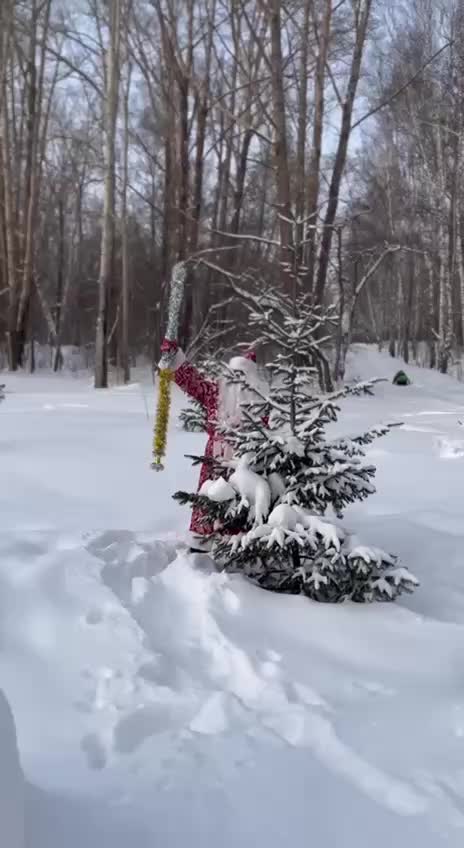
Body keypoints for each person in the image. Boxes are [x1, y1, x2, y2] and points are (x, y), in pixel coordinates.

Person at [160, 339, 267, 542]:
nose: (237, 384)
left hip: (245, 463)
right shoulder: (215, 392)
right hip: (214, 459)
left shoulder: (261, 404)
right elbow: (194, 382)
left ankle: (238, 542)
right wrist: (173, 357)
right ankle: (204, 538)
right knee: (211, 495)